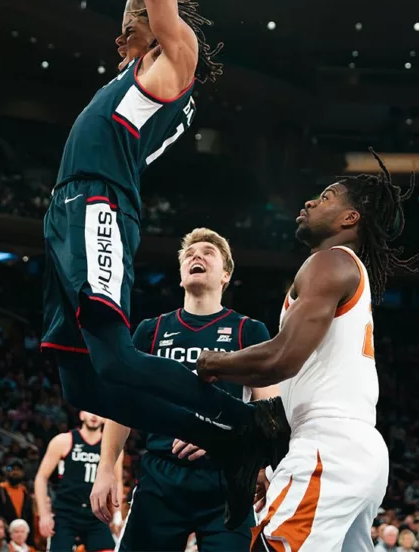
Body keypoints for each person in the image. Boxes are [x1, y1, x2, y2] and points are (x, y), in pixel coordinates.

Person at [41, 0, 280, 521]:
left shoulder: (176, 56)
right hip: (67, 211)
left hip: (97, 203)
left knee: (116, 356)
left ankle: (244, 426)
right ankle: (226, 441)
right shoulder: (133, 69)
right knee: (81, 375)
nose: (133, 17)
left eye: (140, 11)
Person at [192, 151, 419, 551]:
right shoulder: (340, 270)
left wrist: (213, 362)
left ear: (351, 219)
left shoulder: (329, 262)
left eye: (327, 197)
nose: (311, 202)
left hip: (328, 448)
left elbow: (281, 358)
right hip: (346, 451)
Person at [92, 228, 279, 552]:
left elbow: (271, 408)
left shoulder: (248, 330)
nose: (197, 256)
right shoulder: (150, 331)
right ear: (180, 275)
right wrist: (106, 468)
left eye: (208, 252)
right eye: (190, 254)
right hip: (162, 476)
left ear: (226, 274)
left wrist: (262, 461)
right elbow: (123, 406)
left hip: (227, 474)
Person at [35, 412, 119, 552]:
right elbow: (41, 477)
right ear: (81, 415)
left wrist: (117, 515)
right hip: (66, 512)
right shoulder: (64, 440)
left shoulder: (112, 446)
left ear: (105, 418)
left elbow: (117, 481)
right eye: (90, 411)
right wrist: (44, 514)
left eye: (99, 413)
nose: (94, 416)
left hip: (96, 513)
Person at [0, 463, 33, 533]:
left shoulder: (25, 492)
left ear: (23, 473)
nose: (15, 472)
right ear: (7, 472)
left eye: (18, 470)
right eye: (12, 469)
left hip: (22, 533)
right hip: (3, 533)